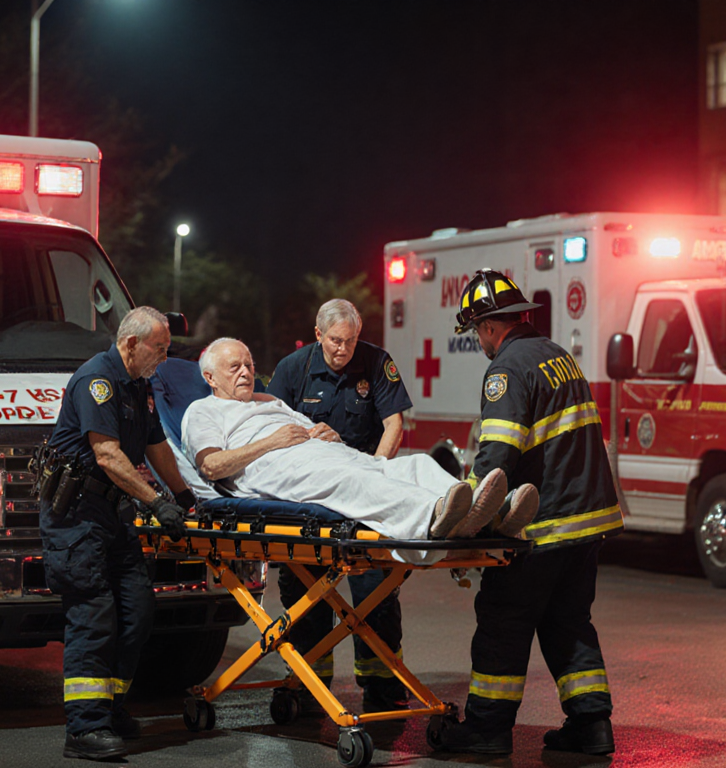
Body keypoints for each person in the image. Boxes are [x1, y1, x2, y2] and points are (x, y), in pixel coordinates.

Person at [433, 270, 624, 757]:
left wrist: (467, 515)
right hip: (589, 520)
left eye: (478, 331)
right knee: (568, 621)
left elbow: (498, 455)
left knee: (504, 620)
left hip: (541, 524)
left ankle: (486, 729)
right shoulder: (558, 356)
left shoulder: (506, 368)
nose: (479, 341)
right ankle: (592, 724)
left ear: (491, 327)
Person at [181, 338, 533, 550]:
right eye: (234, 367)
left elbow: (309, 429)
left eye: (248, 364)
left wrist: (327, 434)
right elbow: (211, 466)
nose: (245, 372)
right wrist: (270, 443)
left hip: (317, 452)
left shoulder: (268, 401)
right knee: (355, 483)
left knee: (412, 465)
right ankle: (436, 516)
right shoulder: (203, 411)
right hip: (272, 466)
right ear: (210, 377)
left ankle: (490, 515)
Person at [40, 306, 195, 762]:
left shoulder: (138, 384)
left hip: (111, 514)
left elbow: (156, 445)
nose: (163, 359)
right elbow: (107, 455)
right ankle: (84, 729)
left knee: (138, 609)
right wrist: (156, 502)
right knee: (93, 616)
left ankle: (110, 708)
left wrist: (184, 498)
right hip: (77, 516)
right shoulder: (98, 381)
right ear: (131, 343)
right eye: (159, 349)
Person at [265, 299, 415, 713]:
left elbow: (393, 424)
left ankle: (383, 687)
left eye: (349, 341)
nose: (342, 350)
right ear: (318, 335)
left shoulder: (375, 362)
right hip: (309, 499)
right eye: (335, 341)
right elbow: (271, 428)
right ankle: (310, 683)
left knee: (376, 595)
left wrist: (376, 474)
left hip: (361, 495)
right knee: (305, 593)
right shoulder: (293, 369)